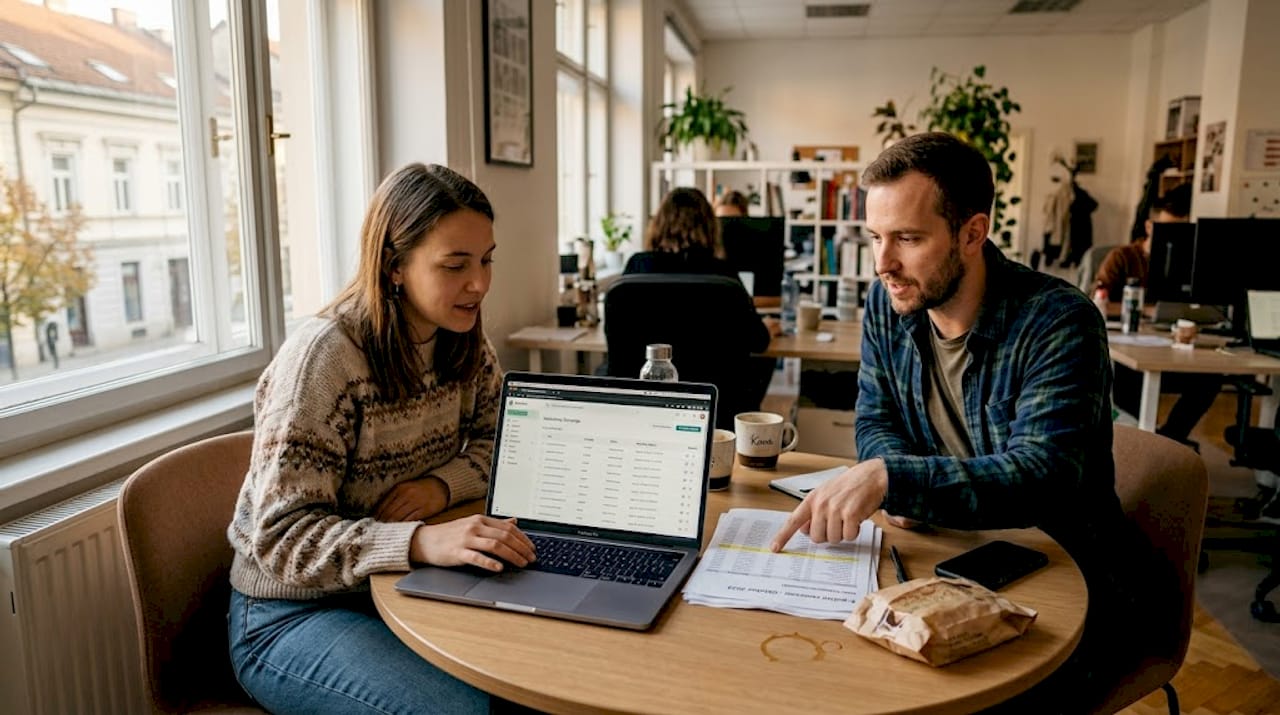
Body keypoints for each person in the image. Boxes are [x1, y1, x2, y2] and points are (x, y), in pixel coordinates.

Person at [770, 133, 1176, 712]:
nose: (883, 263)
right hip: (947, 559)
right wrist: (895, 470)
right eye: (876, 238)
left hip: (1070, 583)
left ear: (972, 233)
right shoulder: (890, 303)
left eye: (908, 239)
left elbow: (1045, 474)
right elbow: (875, 418)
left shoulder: (1058, 321)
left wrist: (896, 479)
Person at [227, 163, 536, 715]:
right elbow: (279, 538)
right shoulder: (324, 359)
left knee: (538, 675)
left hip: (399, 589)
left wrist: (441, 487)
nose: (480, 284)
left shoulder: (461, 339)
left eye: (487, 260)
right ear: (395, 267)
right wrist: (415, 542)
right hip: (292, 612)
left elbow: (506, 446)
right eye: (455, 265)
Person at [623, 187, 779, 422]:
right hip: (715, 410)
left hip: (644, 407)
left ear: (658, 224)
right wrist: (767, 327)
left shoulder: (637, 267)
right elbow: (758, 341)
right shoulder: (723, 275)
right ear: (710, 226)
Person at [1095, 183, 1219, 449]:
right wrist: (1144, 309)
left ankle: (1169, 437)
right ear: (1150, 226)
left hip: (1173, 342)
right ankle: (1137, 443)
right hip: (1129, 344)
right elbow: (1097, 301)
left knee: (1209, 378)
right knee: (1130, 379)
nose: (1178, 236)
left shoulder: (1189, 262)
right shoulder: (1123, 257)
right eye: (1170, 228)